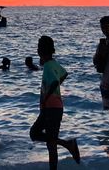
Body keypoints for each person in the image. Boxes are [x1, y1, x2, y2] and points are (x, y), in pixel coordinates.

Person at [30, 35, 81, 169]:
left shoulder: (47, 66)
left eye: (38, 48)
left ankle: (68, 144)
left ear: (40, 51)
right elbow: (64, 74)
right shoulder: (54, 63)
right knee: (50, 144)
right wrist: (57, 86)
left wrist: (45, 99)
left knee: (35, 134)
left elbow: (53, 82)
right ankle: (66, 148)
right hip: (56, 107)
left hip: (50, 108)